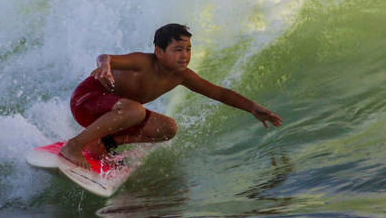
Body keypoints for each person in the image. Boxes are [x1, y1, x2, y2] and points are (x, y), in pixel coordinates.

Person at [59, 23, 282, 171]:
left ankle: (102, 143)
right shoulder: (143, 62)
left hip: (115, 113)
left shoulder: (181, 76)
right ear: (159, 51)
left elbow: (219, 92)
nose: (184, 55)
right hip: (87, 101)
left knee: (167, 128)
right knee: (135, 110)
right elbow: (105, 57)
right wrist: (105, 66)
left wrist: (252, 107)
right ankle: (74, 146)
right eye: (178, 49)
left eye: (188, 49)